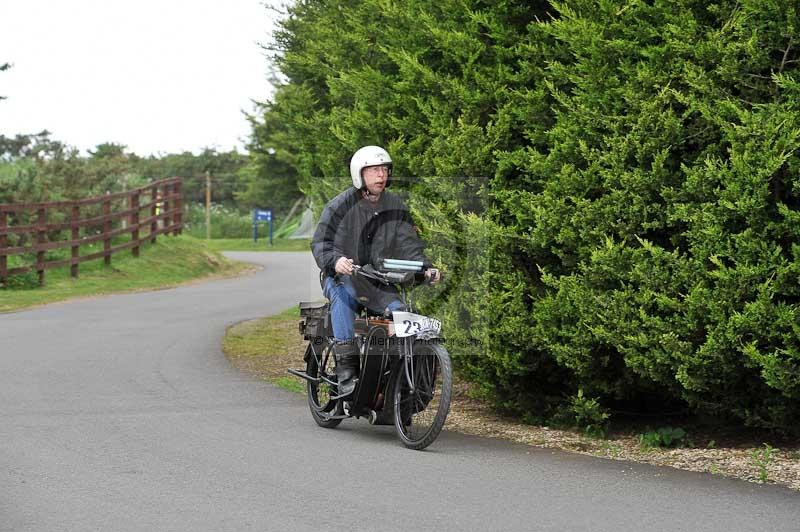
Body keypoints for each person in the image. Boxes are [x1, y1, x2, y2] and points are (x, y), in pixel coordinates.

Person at [311, 145, 441, 398]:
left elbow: (408, 244)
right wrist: (336, 261)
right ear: (360, 174)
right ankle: (346, 371)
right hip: (341, 277)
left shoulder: (394, 204)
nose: (381, 175)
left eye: (384, 170)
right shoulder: (340, 205)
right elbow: (322, 242)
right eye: (374, 170)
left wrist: (426, 269)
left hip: (377, 281)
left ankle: (393, 381)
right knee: (344, 298)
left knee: (401, 313)